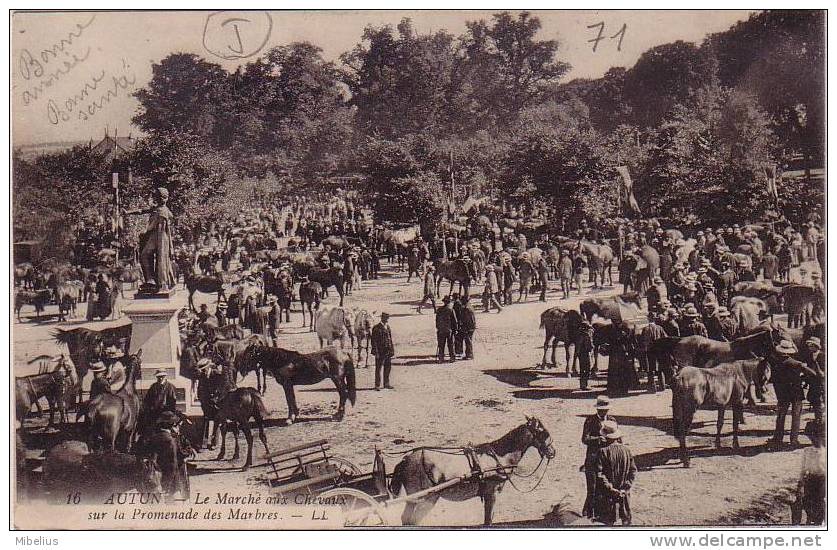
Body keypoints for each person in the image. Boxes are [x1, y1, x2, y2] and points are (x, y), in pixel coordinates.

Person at [122, 187, 176, 290]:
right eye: (157, 197)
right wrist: (128, 212)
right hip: (154, 236)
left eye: (160, 197)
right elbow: (142, 211)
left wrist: (145, 232)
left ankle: (158, 281)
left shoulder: (162, 212)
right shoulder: (157, 209)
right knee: (145, 256)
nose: (157, 199)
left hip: (160, 237)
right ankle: (151, 280)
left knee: (152, 258)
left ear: (165, 198)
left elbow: (161, 228)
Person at [594, 420, 637, 526]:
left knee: (609, 523)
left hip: (608, 496)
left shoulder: (602, 451)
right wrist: (625, 487)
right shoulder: (626, 450)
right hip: (624, 495)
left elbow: (600, 475)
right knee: (626, 521)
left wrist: (611, 489)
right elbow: (633, 471)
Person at [766, 340, 806, 448]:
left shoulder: (776, 363)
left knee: (780, 416)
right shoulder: (796, 363)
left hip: (783, 394)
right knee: (796, 416)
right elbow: (808, 372)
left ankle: (778, 438)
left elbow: (774, 380)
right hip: (796, 393)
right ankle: (794, 439)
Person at [581, 396, 613, 517]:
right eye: (601, 410)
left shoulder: (612, 420)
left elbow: (619, 438)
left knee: (606, 486)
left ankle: (603, 514)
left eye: (605, 410)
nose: (603, 412)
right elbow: (585, 439)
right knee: (592, 488)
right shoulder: (590, 421)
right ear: (597, 409)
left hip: (607, 459)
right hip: (593, 458)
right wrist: (597, 439)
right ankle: (588, 513)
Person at [791, 420, 825, 525]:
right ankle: (810, 519)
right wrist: (800, 483)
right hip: (810, 480)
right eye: (811, 438)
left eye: (816, 437)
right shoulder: (807, 451)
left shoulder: (826, 452)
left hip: (822, 480)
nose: (814, 440)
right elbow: (803, 469)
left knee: (819, 502)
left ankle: (819, 523)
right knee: (807, 501)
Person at [141, 369, 178, 435]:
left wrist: (168, 413)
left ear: (165, 376)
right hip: (154, 414)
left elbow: (173, 403)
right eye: (158, 377)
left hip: (166, 414)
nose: (160, 378)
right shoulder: (153, 386)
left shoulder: (171, 387)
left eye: (162, 376)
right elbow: (147, 399)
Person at [802, 337, 824, 422]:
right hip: (813, 382)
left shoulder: (823, 356)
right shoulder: (809, 356)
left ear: (816, 346)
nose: (809, 347)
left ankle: (821, 419)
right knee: (813, 399)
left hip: (822, 381)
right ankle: (818, 418)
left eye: (810, 345)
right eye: (808, 345)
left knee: (820, 400)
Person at [370, 312, 395, 390]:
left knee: (388, 367)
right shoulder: (376, 328)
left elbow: (390, 339)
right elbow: (373, 341)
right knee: (378, 368)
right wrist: (376, 352)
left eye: (387, 318)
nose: (387, 320)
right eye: (385, 318)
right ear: (382, 318)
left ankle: (386, 383)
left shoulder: (388, 327)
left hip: (387, 350)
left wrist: (392, 349)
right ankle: (377, 385)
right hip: (380, 351)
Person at [435, 296, 459, 363]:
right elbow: (454, 321)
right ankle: (452, 358)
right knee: (450, 344)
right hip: (449, 330)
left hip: (441, 330)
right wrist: (455, 329)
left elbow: (437, 320)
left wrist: (438, 328)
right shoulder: (451, 310)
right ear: (449, 302)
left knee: (441, 345)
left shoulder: (439, 310)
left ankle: (441, 358)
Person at [577, 321, 595, 390]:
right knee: (587, 368)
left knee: (583, 369)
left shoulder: (580, 335)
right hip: (585, 353)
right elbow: (590, 345)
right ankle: (584, 385)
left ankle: (583, 384)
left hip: (582, 353)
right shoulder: (585, 335)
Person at [458, 295, 476, 360]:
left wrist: (466, 327)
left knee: (468, 341)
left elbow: (468, 319)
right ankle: (468, 354)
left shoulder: (467, 308)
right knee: (468, 340)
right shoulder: (469, 307)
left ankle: (470, 355)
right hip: (470, 327)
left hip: (468, 327)